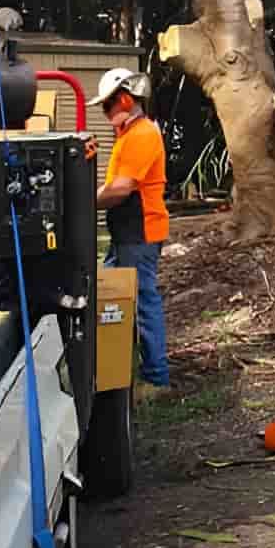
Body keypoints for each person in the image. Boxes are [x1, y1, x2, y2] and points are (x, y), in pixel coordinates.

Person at [94, 68, 171, 391]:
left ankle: (156, 377)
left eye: (106, 106)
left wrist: (82, 202)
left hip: (139, 233)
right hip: (128, 232)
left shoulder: (141, 135)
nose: (104, 112)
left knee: (141, 300)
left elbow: (122, 188)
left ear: (125, 98)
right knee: (113, 295)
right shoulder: (129, 133)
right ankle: (117, 368)